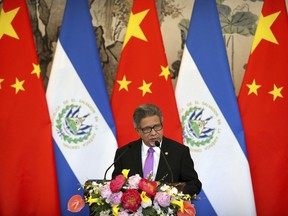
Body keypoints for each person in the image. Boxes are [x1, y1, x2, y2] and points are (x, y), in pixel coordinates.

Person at [112, 103, 202, 196]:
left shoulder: (179, 152)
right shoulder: (124, 153)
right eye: (147, 129)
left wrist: (175, 195)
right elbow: (115, 185)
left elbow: (194, 183)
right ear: (138, 131)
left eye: (157, 127)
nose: (154, 133)